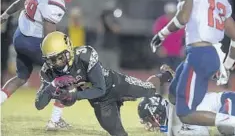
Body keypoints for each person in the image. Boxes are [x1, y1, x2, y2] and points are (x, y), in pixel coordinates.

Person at [150, 0, 235, 136]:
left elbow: (183, 17)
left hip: (199, 54)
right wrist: (227, 67)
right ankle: (173, 132)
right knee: (175, 92)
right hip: (210, 55)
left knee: (186, 113)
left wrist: (161, 34)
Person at [35, 31, 173, 136]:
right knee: (118, 133)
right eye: (51, 60)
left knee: (148, 89)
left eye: (59, 57)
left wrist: (75, 95)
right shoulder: (49, 71)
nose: (56, 63)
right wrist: (51, 86)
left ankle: (167, 75)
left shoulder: (84, 55)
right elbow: (39, 104)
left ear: (69, 50)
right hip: (100, 102)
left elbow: (100, 88)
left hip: (114, 84)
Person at [0, 0, 80, 130]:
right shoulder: (54, 3)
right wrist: (58, 63)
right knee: (66, 77)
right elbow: (49, 39)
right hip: (36, 42)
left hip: (19, 37)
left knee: (21, 77)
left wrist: (5, 15)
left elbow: (22, 2)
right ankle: (55, 120)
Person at [138, 92, 235, 136]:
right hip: (233, 101)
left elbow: (202, 132)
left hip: (229, 101)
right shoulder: (173, 109)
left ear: (156, 113)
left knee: (226, 127)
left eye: (148, 119)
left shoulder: (177, 112)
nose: (149, 124)